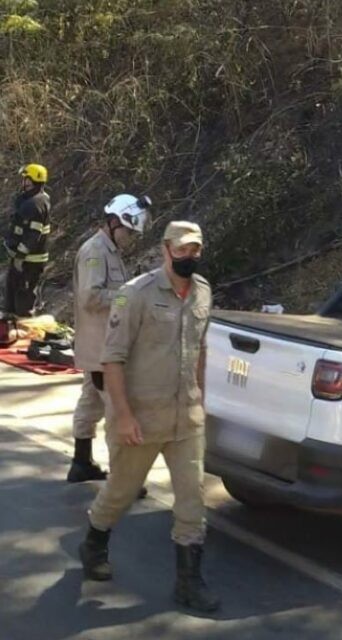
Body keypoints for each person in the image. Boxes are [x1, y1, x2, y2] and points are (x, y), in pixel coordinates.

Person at [78, 220, 218, 612]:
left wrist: (200, 400)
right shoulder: (134, 295)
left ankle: (189, 583)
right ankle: (93, 543)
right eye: (183, 248)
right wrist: (122, 415)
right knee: (120, 493)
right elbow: (112, 359)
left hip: (185, 419)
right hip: (140, 418)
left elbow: (202, 349)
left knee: (192, 501)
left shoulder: (203, 292)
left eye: (196, 249)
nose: (190, 255)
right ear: (165, 249)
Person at [69, 194, 151, 485]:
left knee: (90, 402)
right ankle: (122, 480)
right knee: (118, 410)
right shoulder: (95, 252)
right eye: (129, 231)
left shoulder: (110, 251)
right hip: (102, 348)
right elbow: (91, 297)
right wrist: (128, 295)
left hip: (100, 346)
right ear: (114, 222)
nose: (130, 238)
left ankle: (81, 462)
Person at [4, 164, 52, 317]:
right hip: (22, 260)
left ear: (33, 180)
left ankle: (26, 335)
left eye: (26, 179)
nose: (23, 182)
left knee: (23, 303)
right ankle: (10, 333)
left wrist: (19, 257)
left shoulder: (36, 204)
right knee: (10, 301)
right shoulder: (31, 200)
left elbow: (32, 235)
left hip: (29, 263)